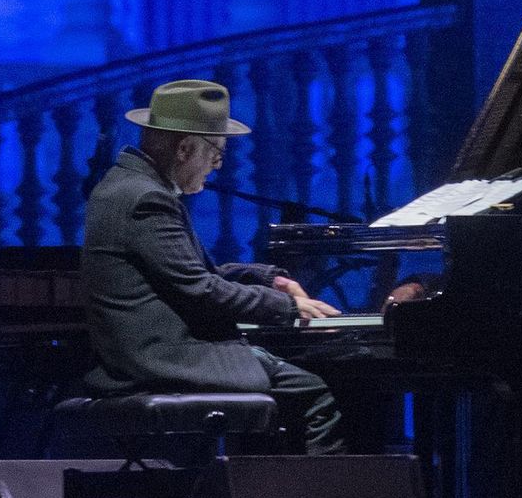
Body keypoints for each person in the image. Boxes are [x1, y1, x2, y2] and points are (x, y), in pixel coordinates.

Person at [81, 79, 347, 454]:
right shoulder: (146, 199)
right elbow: (199, 288)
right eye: (216, 153)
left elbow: (188, 275)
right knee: (316, 394)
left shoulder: (129, 185)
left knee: (293, 376)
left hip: (152, 352)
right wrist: (286, 309)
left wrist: (271, 280)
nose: (217, 165)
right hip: (162, 358)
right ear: (186, 148)